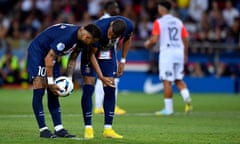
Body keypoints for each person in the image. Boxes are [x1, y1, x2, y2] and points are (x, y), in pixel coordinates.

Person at [27, 23, 102, 138]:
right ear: (85, 33)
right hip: (39, 52)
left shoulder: (81, 40)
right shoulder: (67, 38)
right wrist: (50, 82)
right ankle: (43, 129)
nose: (89, 42)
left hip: (54, 56)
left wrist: (69, 78)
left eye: (91, 41)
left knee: (55, 91)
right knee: (40, 86)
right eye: (89, 39)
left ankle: (59, 128)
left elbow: (72, 58)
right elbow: (48, 58)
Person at [80, 16, 133, 139]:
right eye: (110, 33)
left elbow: (127, 39)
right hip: (91, 53)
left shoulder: (128, 26)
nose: (110, 37)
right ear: (110, 25)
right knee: (89, 88)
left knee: (110, 87)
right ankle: (88, 128)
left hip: (107, 53)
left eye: (114, 36)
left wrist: (123, 60)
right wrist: (101, 76)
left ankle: (108, 129)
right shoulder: (99, 29)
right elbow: (92, 55)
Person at [144, 1, 192, 115]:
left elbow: (154, 40)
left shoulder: (159, 22)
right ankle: (187, 98)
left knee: (167, 81)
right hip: (179, 52)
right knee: (178, 79)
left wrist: (148, 43)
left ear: (161, 9)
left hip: (167, 53)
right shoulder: (178, 21)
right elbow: (185, 39)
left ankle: (168, 109)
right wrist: (185, 53)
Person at [94, 0, 126, 115]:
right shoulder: (106, 21)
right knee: (110, 79)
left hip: (107, 52)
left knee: (103, 79)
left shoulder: (112, 20)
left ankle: (99, 106)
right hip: (105, 53)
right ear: (110, 9)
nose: (117, 10)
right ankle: (106, 105)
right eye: (115, 8)